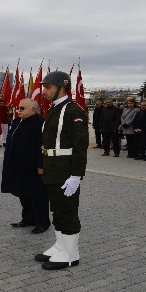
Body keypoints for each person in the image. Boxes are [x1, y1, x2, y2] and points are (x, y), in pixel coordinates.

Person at [34, 71, 88, 271]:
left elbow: (80, 146)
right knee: (57, 209)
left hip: (65, 170)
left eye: (48, 87)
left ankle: (71, 254)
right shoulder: (55, 109)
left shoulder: (73, 111)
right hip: (53, 168)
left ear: (61, 87)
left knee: (67, 210)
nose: (44, 91)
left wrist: (76, 175)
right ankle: (60, 246)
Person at [1, 99, 50, 234]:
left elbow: (43, 146)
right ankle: (28, 218)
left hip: (33, 166)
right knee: (23, 192)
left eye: (22, 108)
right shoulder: (17, 122)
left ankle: (42, 222)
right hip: (18, 165)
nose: (19, 110)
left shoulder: (40, 124)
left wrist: (41, 165)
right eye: (19, 108)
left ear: (33, 110)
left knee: (37, 195)